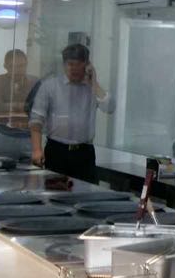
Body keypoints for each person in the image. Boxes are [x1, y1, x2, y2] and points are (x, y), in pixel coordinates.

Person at [29, 43, 113, 183]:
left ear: (87, 65)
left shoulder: (92, 88)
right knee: (55, 191)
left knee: (87, 193)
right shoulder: (50, 86)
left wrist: (94, 83)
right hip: (57, 150)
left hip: (84, 152)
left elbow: (110, 108)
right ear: (64, 65)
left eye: (79, 64)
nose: (74, 68)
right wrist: (37, 149)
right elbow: (36, 120)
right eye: (70, 64)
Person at [0, 49, 37, 161]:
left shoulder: (34, 82)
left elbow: (38, 110)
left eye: (22, 66)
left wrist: (11, 106)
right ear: (5, 66)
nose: (19, 70)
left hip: (29, 137)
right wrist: (24, 107)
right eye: (14, 66)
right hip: (5, 136)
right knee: (1, 169)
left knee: (30, 171)